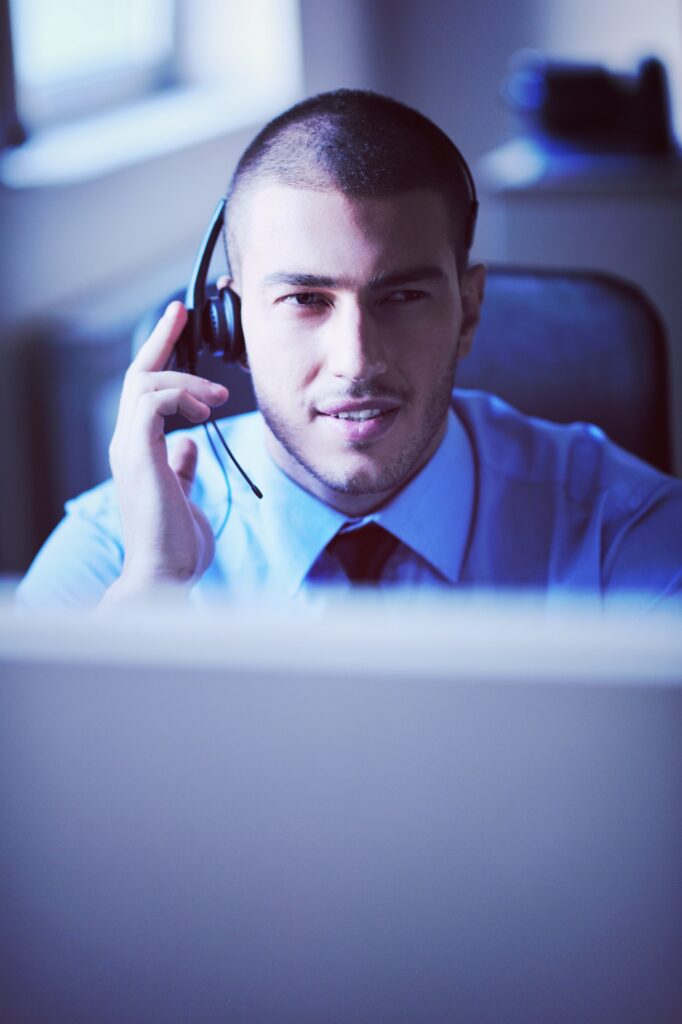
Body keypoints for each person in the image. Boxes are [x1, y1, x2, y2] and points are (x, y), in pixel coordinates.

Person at [17, 89, 682, 610]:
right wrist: (152, 589)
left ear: (469, 309)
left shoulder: (622, 531)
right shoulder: (114, 550)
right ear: (232, 322)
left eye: (401, 298)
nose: (357, 362)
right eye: (306, 300)